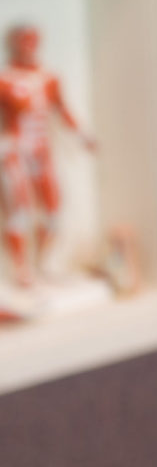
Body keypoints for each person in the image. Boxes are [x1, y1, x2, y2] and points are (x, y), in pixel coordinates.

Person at [0, 24, 96, 286]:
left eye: (34, 41)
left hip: (41, 150)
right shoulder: (5, 80)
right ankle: (20, 270)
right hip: (15, 150)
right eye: (24, 40)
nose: (29, 46)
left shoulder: (48, 78)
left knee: (53, 210)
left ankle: (43, 262)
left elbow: (62, 109)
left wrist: (82, 136)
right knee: (18, 211)